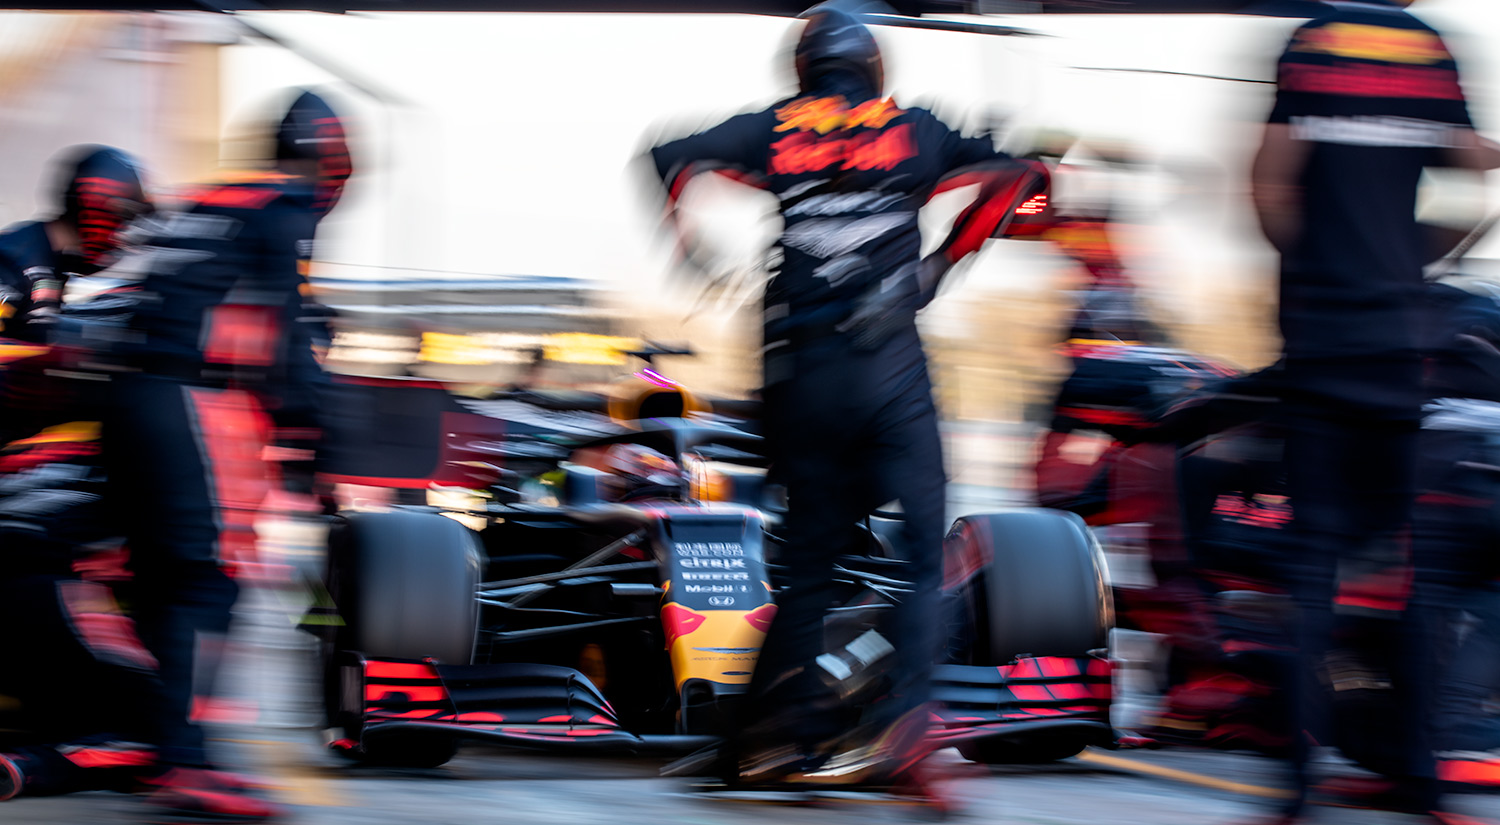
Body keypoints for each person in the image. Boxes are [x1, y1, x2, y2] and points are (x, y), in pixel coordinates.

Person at [649, 0, 1046, 786]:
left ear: (802, 70)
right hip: (889, 363)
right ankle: (910, 723)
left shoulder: (772, 129)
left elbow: (668, 157)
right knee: (927, 549)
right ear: (875, 66)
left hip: (802, 374)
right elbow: (1021, 178)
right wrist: (936, 268)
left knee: (807, 569)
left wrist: (692, 253)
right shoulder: (917, 129)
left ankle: (775, 740)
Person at [1249, 1, 1500, 821]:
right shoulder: (1427, 48)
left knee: (1309, 569)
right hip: (1399, 345)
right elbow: (1475, 169)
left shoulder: (1310, 42)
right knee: (1415, 578)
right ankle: (1423, 779)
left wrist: (1314, 266)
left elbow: (1270, 182)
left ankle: (1296, 784)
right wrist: (1414, 262)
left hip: (1323, 341)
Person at [91, 88, 349, 821]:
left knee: (154, 582)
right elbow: (288, 338)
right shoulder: (283, 208)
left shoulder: (207, 200)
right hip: (184, 398)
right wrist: (314, 445)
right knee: (208, 582)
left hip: (123, 400)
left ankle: (162, 745)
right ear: (328, 159)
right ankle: (189, 762)